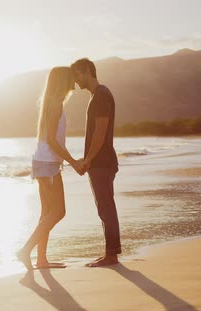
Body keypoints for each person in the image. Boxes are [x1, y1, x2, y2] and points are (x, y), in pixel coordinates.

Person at [17, 66, 82, 270]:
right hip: (48, 164)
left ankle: (41, 260)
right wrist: (74, 161)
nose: (75, 81)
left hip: (43, 163)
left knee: (47, 212)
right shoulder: (55, 105)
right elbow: (53, 142)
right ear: (64, 81)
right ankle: (25, 251)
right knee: (58, 212)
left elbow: (52, 141)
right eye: (71, 77)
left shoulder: (53, 103)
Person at [71, 58, 121, 267]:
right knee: (105, 206)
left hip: (101, 162)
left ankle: (111, 255)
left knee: (105, 207)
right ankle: (111, 252)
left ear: (87, 71)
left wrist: (88, 160)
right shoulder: (98, 95)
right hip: (102, 161)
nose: (75, 81)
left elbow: (100, 132)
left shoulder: (100, 95)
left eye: (77, 75)